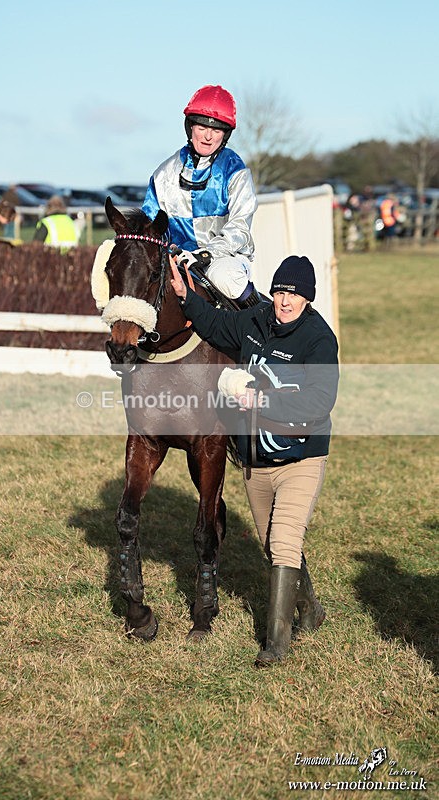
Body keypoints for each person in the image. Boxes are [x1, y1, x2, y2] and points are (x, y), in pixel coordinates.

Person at [170, 254, 339, 667]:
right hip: (255, 459)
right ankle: (311, 608)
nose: (283, 302)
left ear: (307, 300)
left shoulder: (318, 339)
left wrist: (261, 399)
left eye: (293, 296)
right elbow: (214, 324)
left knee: (283, 542)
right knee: (274, 545)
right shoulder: (257, 319)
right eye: (280, 291)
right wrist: (185, 298)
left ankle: (276, 643)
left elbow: (321, 400)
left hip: (300, 455)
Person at [142, 84, 259, 307]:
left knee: (225, 277)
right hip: (174, 260)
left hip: (225, 258)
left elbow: (240, 227)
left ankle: (261, 328)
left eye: (216, 130)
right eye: (201, 127)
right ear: (190, 127)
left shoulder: (236, 170)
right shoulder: (163, 174)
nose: (207, 136)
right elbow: (150, 225)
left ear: (225, 135)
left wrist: (206, 254)